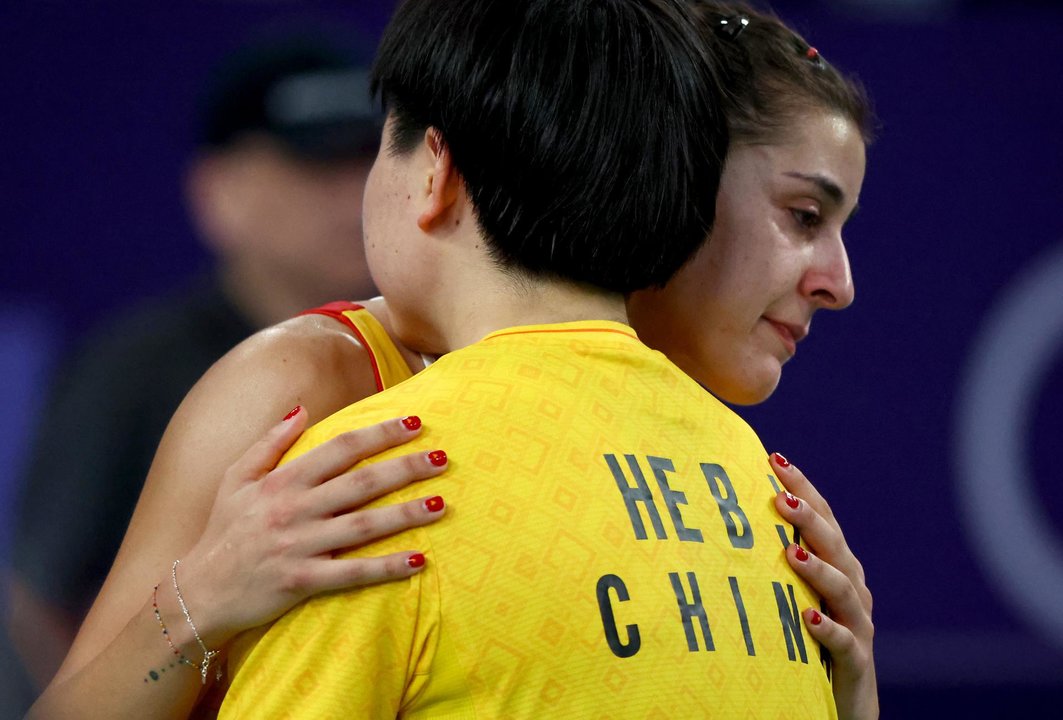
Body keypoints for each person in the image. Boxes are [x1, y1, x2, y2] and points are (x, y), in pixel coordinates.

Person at [29, 1, 876, 718]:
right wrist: (203, 601)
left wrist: (849, 683)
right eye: (801, 214)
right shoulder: (307, 382)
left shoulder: (706, 448)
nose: (836, 282)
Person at [5, 32, 382, 701]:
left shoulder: (442, 346)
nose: (351, 194)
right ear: (220, 192)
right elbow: (44, 591)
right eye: (315, 166)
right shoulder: (133, 368)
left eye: (369, 158)